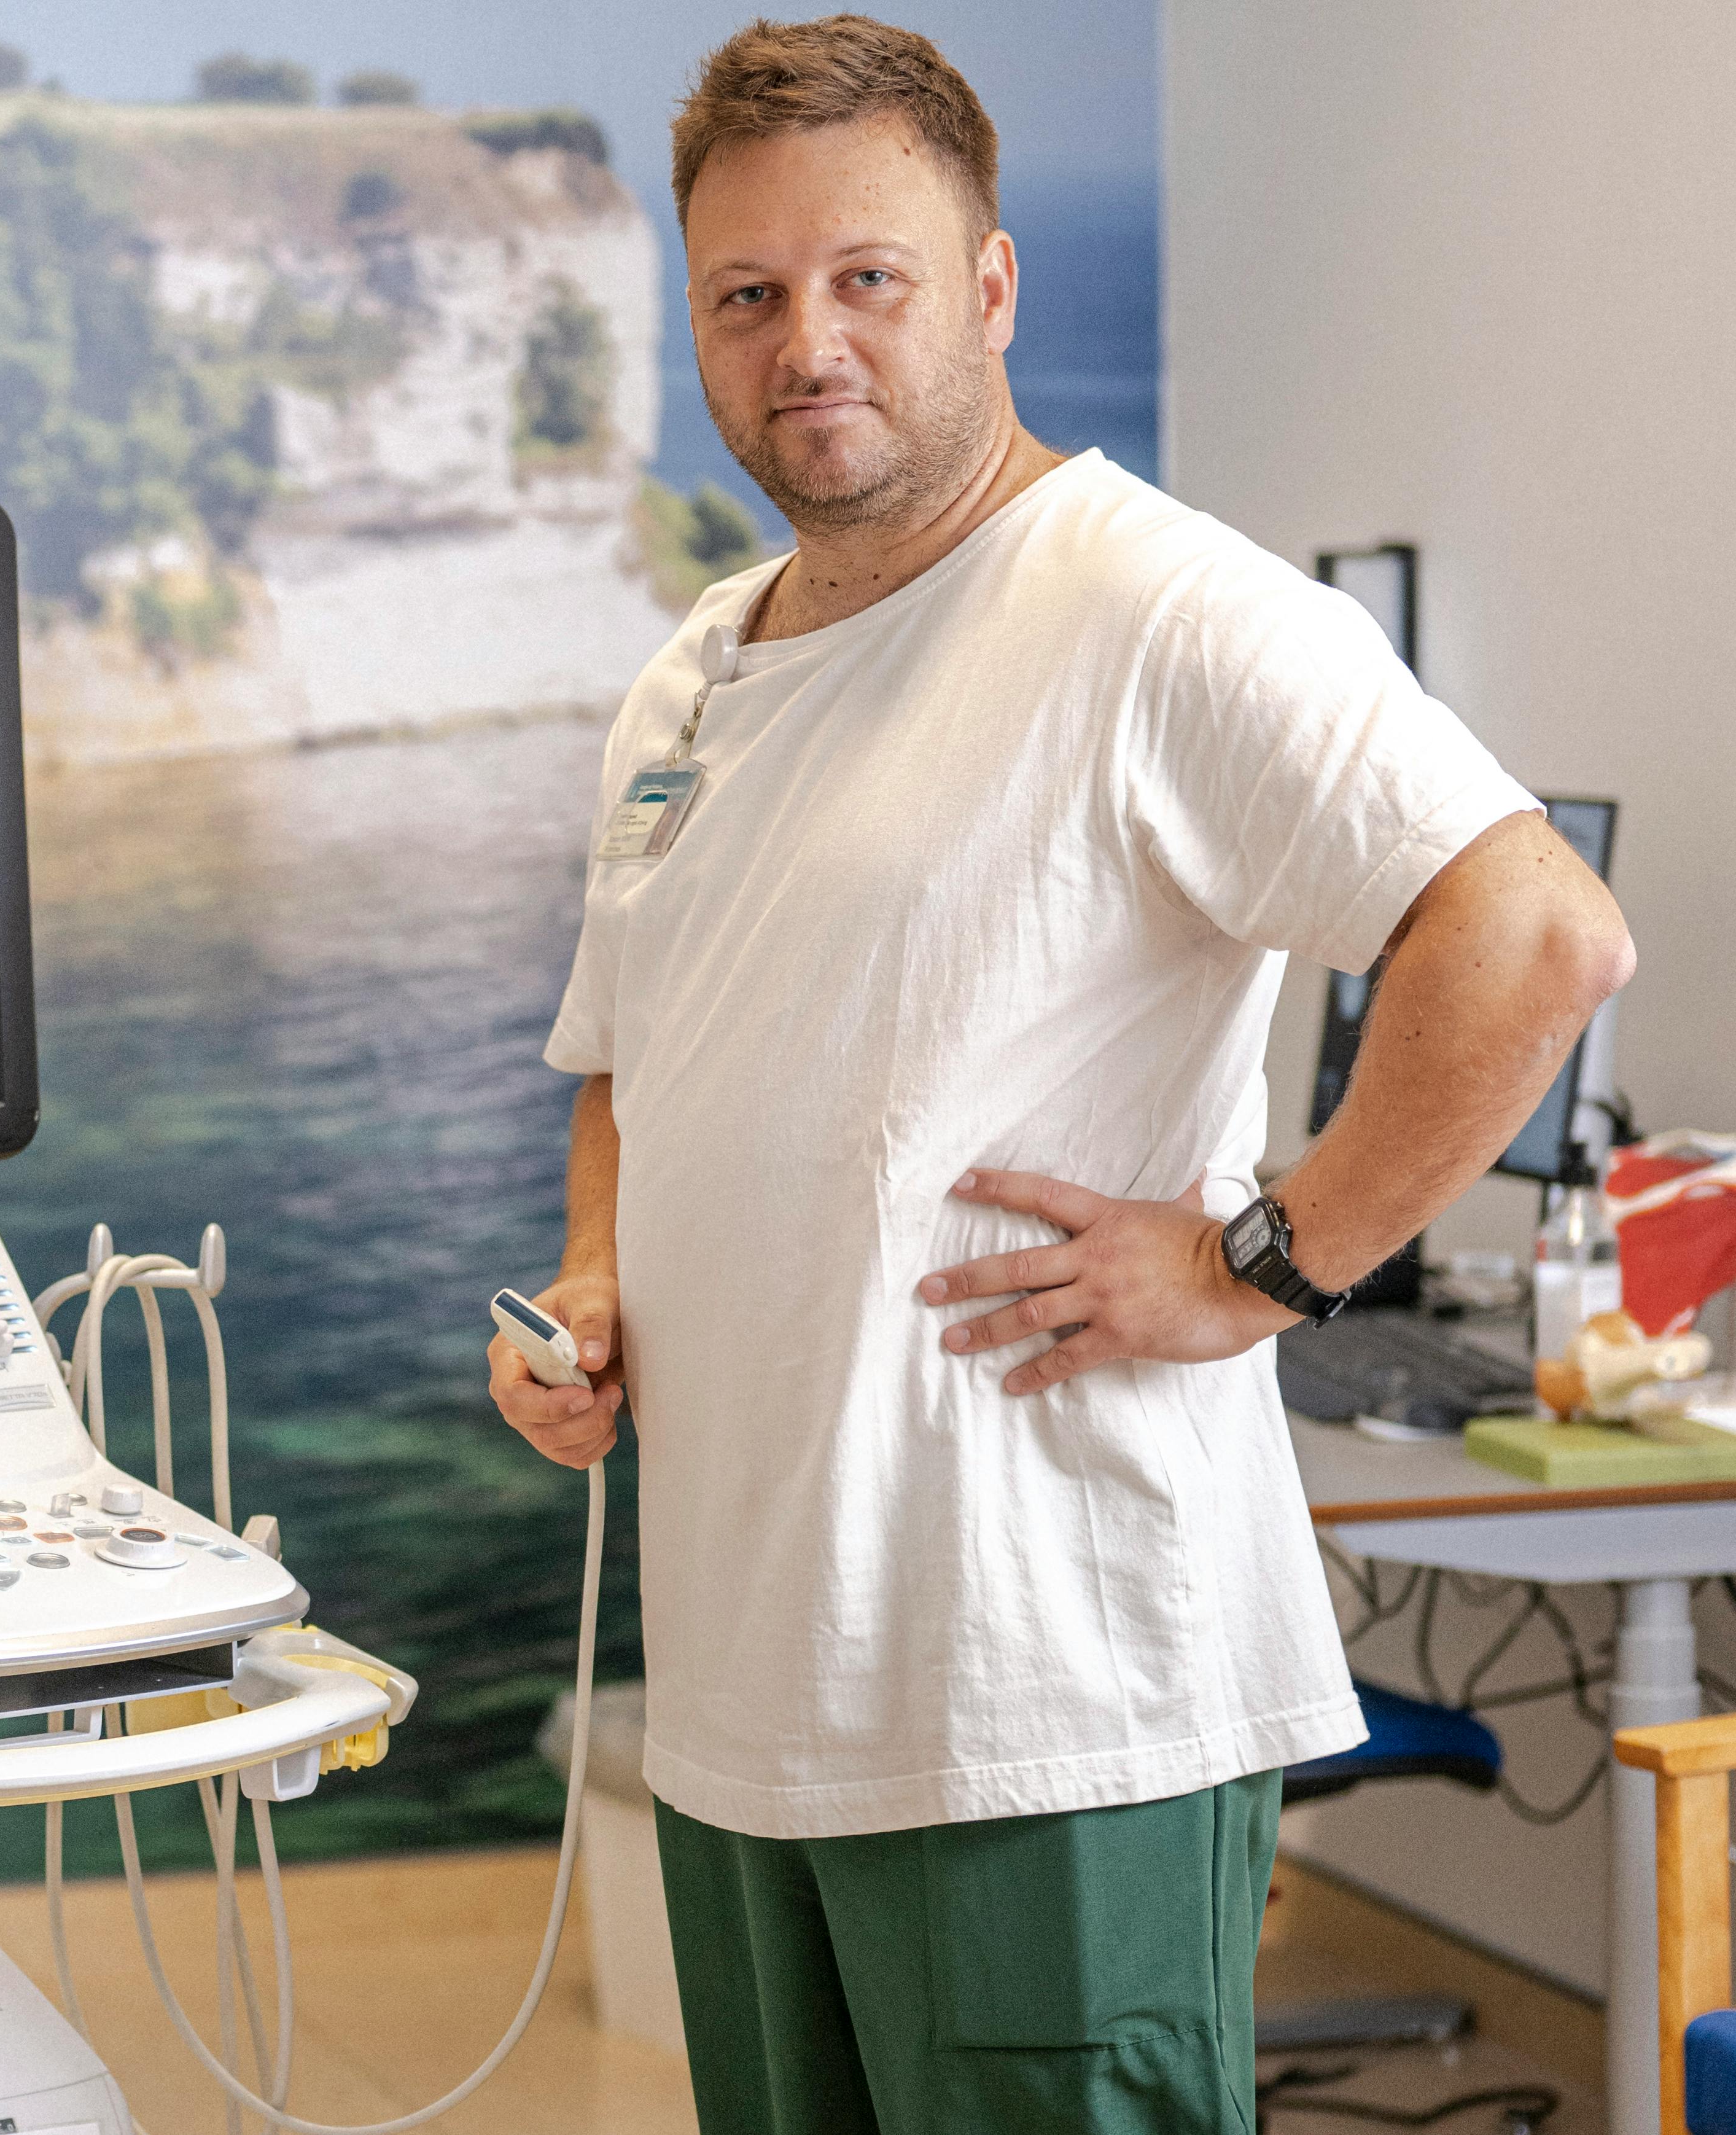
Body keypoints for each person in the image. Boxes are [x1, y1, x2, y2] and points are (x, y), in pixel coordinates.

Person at [486, 15, 1633, 2133]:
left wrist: (1267, 1260)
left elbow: (1536, 932)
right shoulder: (695, 672)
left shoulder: (1150, 609)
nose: (807, 342)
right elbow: (636, 1060)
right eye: (747, 296)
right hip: (750, 1696)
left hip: (1045, 1701)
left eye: (870, 278)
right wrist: (594, 1281)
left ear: (993, 288)